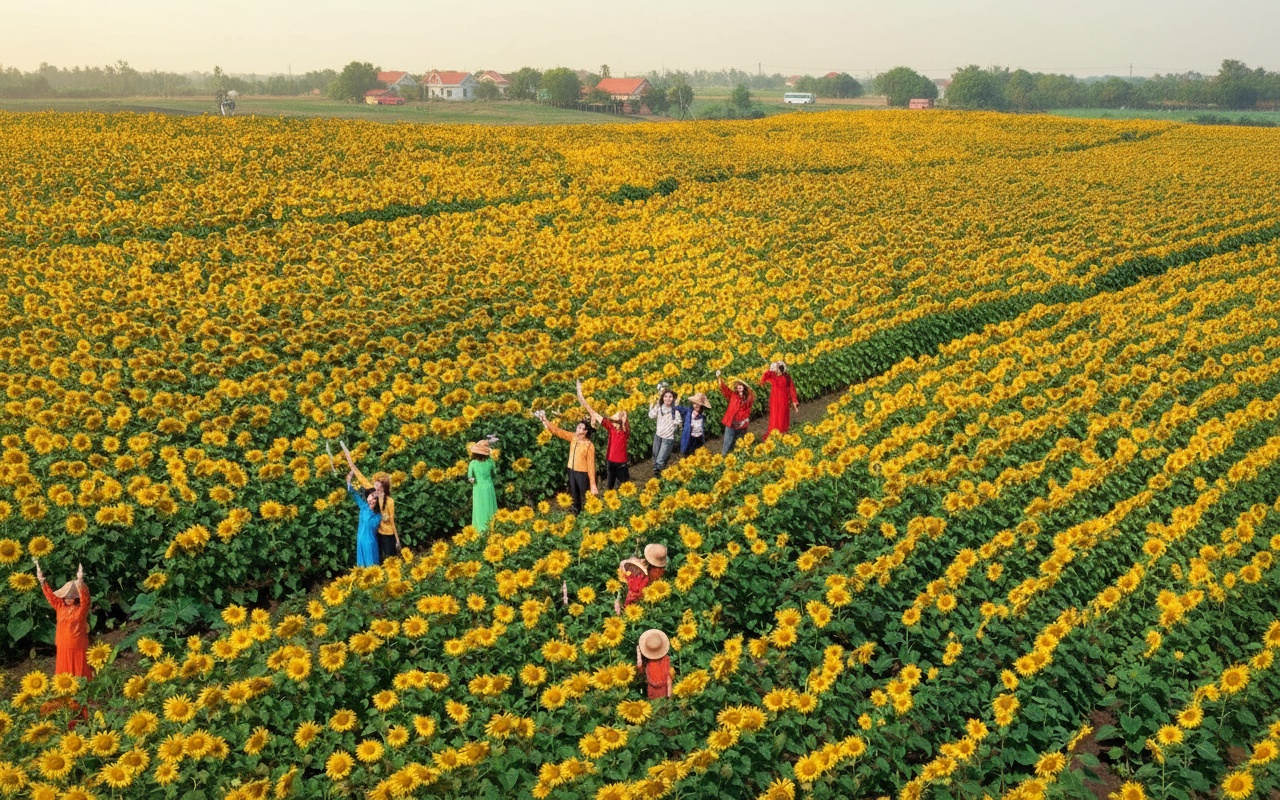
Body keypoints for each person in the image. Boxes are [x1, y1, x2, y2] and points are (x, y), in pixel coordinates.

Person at [343, 443, 400, 562]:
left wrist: (397, 539)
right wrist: (351, 470)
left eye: (378, 487)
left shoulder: (384, 506)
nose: (373, 496)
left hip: (377, 537)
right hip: (365, 539)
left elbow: (390, 520)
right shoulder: (365, 505)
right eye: (375, 487)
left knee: (382, 559)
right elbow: (358, 487)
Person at [35, 559, 92, 679]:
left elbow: (86, 599)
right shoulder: (60, 607)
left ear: (76, 598)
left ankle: (82, 693)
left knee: (80, 671)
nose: (69, 599)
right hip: (63, 643)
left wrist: (80, 582)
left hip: (78, 644)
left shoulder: (81, 609)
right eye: (66, 596)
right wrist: (42, 582)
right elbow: (51, 597)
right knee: (64, 674)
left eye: (72, 596)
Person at [535, 410, 599, 513]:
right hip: (571, 470)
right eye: (578, 427)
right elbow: (557, 431)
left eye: (580, 428)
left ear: (585, 431)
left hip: (583, 473)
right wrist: (545, 420)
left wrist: (593, 484)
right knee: (574, 492)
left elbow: (591, 465)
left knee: (586, 494)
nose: (578, 429)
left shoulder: (589, 445)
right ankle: (576, 511)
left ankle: (591, 511)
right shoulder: (573, 437)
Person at [577, 380, 630, 489]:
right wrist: (580, 394)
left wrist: (624, 415)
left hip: (621, 464)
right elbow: (593, 413)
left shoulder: (624, 431)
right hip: (611, 462)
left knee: (627, 487)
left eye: (618, 413)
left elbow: (624, 421)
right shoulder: (611, 427)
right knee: (610, 486)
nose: (616, 413)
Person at [346, 468, 382, 567]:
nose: (372, 500)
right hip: (360, 540)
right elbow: (353, 493)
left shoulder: (378, 515)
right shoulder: (363, 507)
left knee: (372, 567)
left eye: (375, 498)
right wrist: (349, 478)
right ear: (367, 497)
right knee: (361, 568)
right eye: (371, 496)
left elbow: (372, 526)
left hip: (370, 542)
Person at [717, 370, 756, 456]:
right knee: (728, 441)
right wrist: (719, 377)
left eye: (741, 385)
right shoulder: (733, 395)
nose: (739, 387)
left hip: (741, 423)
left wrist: (744, 420)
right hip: (731, 422)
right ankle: (724, 457)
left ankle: (738, 457)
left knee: (740, 442)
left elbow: (748, 410)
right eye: (738, 385)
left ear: (744, 387)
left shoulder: (748, 399)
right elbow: (724, 389)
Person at [648, 385, 682, 478]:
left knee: (660, 460)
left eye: (670, 397)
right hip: (658, 436)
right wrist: (652, 405)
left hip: (668, 438)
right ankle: (662, 475)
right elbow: (651, 415)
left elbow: (678, 421)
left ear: (673, 398)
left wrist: (673, 425)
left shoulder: (675, 410)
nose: (668, 399)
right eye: (666, 396)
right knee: (655, 458)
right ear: (663, 398)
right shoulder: (659, 407)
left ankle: (658, 478)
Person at [760, 361, 800, 439]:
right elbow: (763, 380)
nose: (780, 372)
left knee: (783, 416)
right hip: (774, 399)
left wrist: (794, 401)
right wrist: (771, 369)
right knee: (774, 416)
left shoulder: (787, 377)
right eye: (779, 369)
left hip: (784, 399)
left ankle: (782, 433)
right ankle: (773, 434)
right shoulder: (772, 375)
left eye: (782, 370)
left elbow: (792, 388)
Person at [468, 439, 500, 533]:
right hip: (489, 486)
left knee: (479, 507)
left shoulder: (472, 463)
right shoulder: (490, 462)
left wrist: (472, 479)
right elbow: (495, 473)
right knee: (490, 505)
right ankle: (493, 527)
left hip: (478, 488)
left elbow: (470, 476)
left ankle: (481, 529)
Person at [637, 629, 674, 699]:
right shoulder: (666, 659)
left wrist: (638, 653)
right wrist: (669, 695)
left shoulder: (648, 663)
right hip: (664, 691)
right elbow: (668, 678)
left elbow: (639, 668)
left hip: (652, 693)